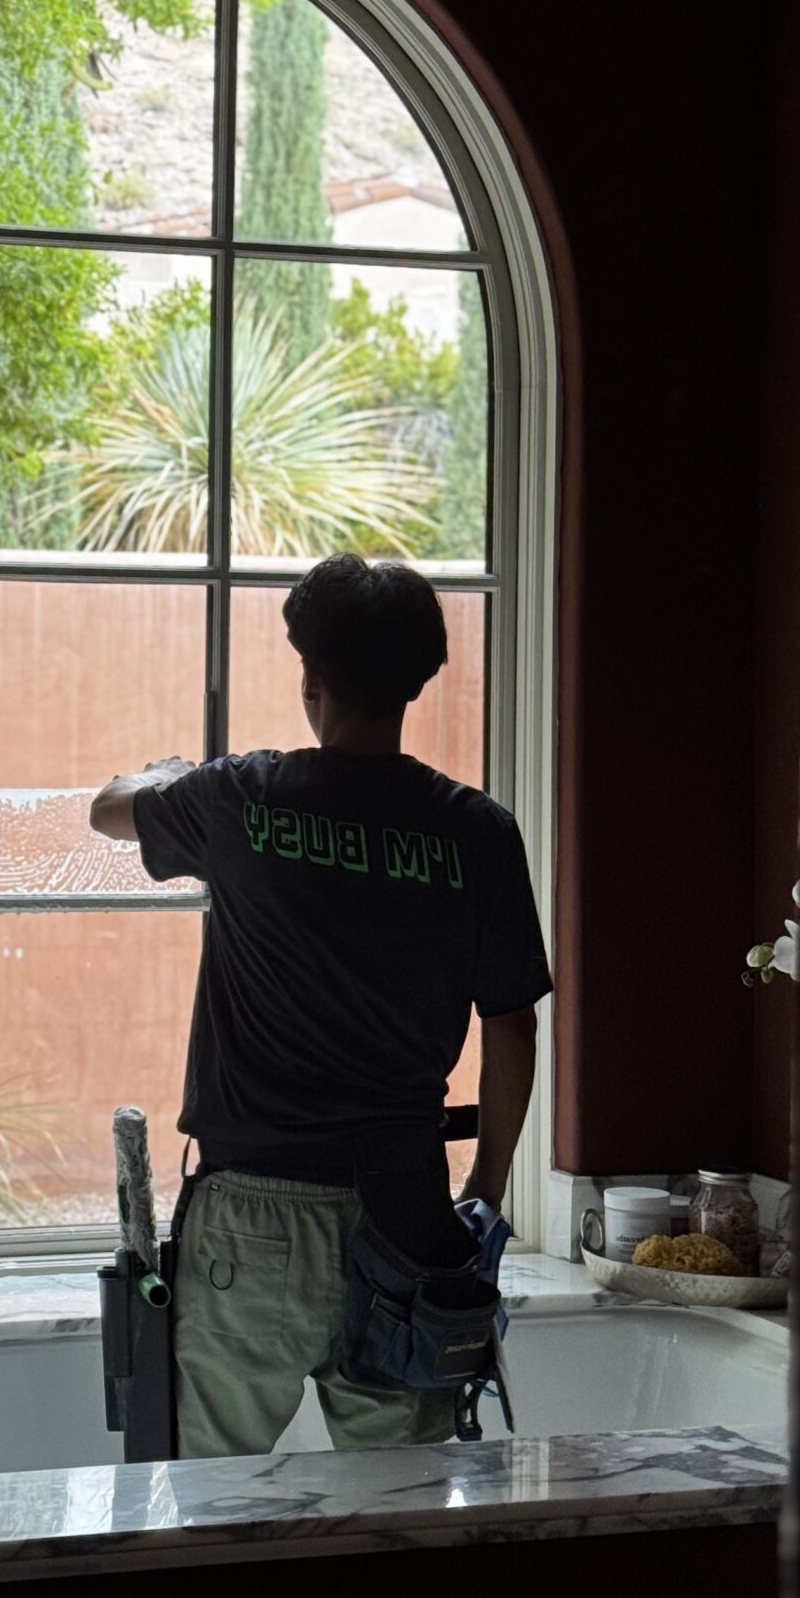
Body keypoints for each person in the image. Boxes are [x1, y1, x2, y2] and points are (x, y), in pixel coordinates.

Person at [89, 553, 551, 1461]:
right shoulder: (477, 832)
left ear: (312, 678)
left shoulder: (241, 798)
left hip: (250, 1212)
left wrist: (169, 772)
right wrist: (485, 1189)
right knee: (403, 1509)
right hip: (405, 1211)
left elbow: (109, 812)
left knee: (200, 1505)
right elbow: (513, 1024)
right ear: (416, 682)